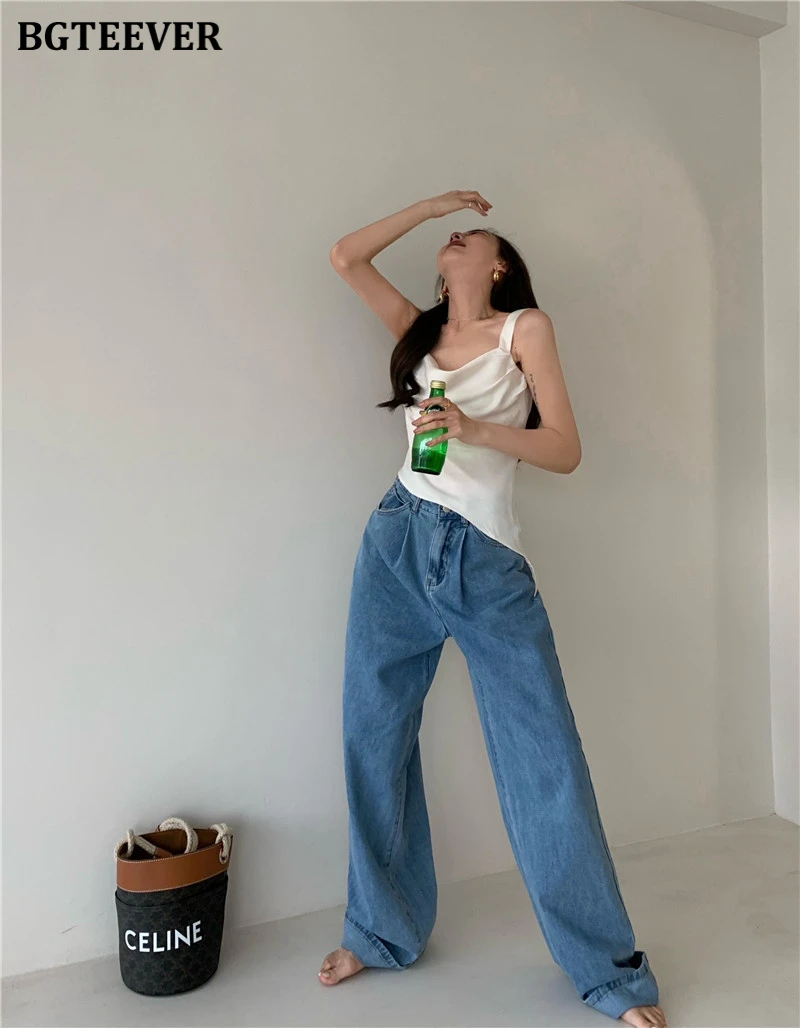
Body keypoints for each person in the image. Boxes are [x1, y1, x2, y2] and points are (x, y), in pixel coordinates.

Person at [319, 190, 668, 1028]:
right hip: (397, 538)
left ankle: (609, 974)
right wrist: (432, 204)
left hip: (483, 557)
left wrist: (474, 428)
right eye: (450, 232)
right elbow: (345, 257)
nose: (455, 235)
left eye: (470, 233)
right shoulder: (416, 331)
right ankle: (381, 931)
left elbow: (565, 448)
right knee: (373, 736)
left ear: (500, 264)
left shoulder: (524, 330)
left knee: (544, 762)